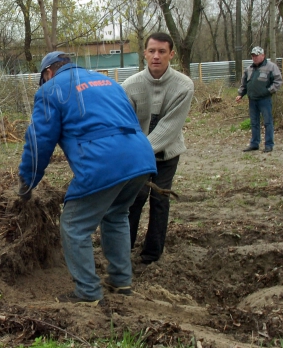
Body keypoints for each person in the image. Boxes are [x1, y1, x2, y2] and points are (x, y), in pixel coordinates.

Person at [18, 52, 157, 305]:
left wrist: (27, 181)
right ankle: (120, 281)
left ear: (48, 73)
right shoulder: (107, 82)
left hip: (104, 162)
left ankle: (88, 293)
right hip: (141, 157)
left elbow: (39, 142)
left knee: (74, 225)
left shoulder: (51, 90)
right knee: (116, 215)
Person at [122, 33, 195, 269]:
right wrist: (135, 153)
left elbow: (170, 126)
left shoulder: (184, 86)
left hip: (167, 153)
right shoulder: (130, 86)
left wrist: (146, 150)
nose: (156, 56)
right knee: (135, 198)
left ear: (171, 54)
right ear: (144, 53)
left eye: (162, 52)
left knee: (160, 199)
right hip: (136, 154)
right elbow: (127, 125)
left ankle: (152, 254)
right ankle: (124, 247)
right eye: (151, 51)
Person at [235, 46, 282, 153]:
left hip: (265, 100)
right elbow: (244, 84)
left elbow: (278, 81)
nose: (254, 58)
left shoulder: (271, 67)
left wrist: (268, 91)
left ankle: (269, 144)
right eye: (253, 56)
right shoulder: (249, 69)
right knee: (254, 122)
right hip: (252, 100)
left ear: (263, 55)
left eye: (256, 56)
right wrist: (240, 94)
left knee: (267, 122)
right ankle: (254, 143)